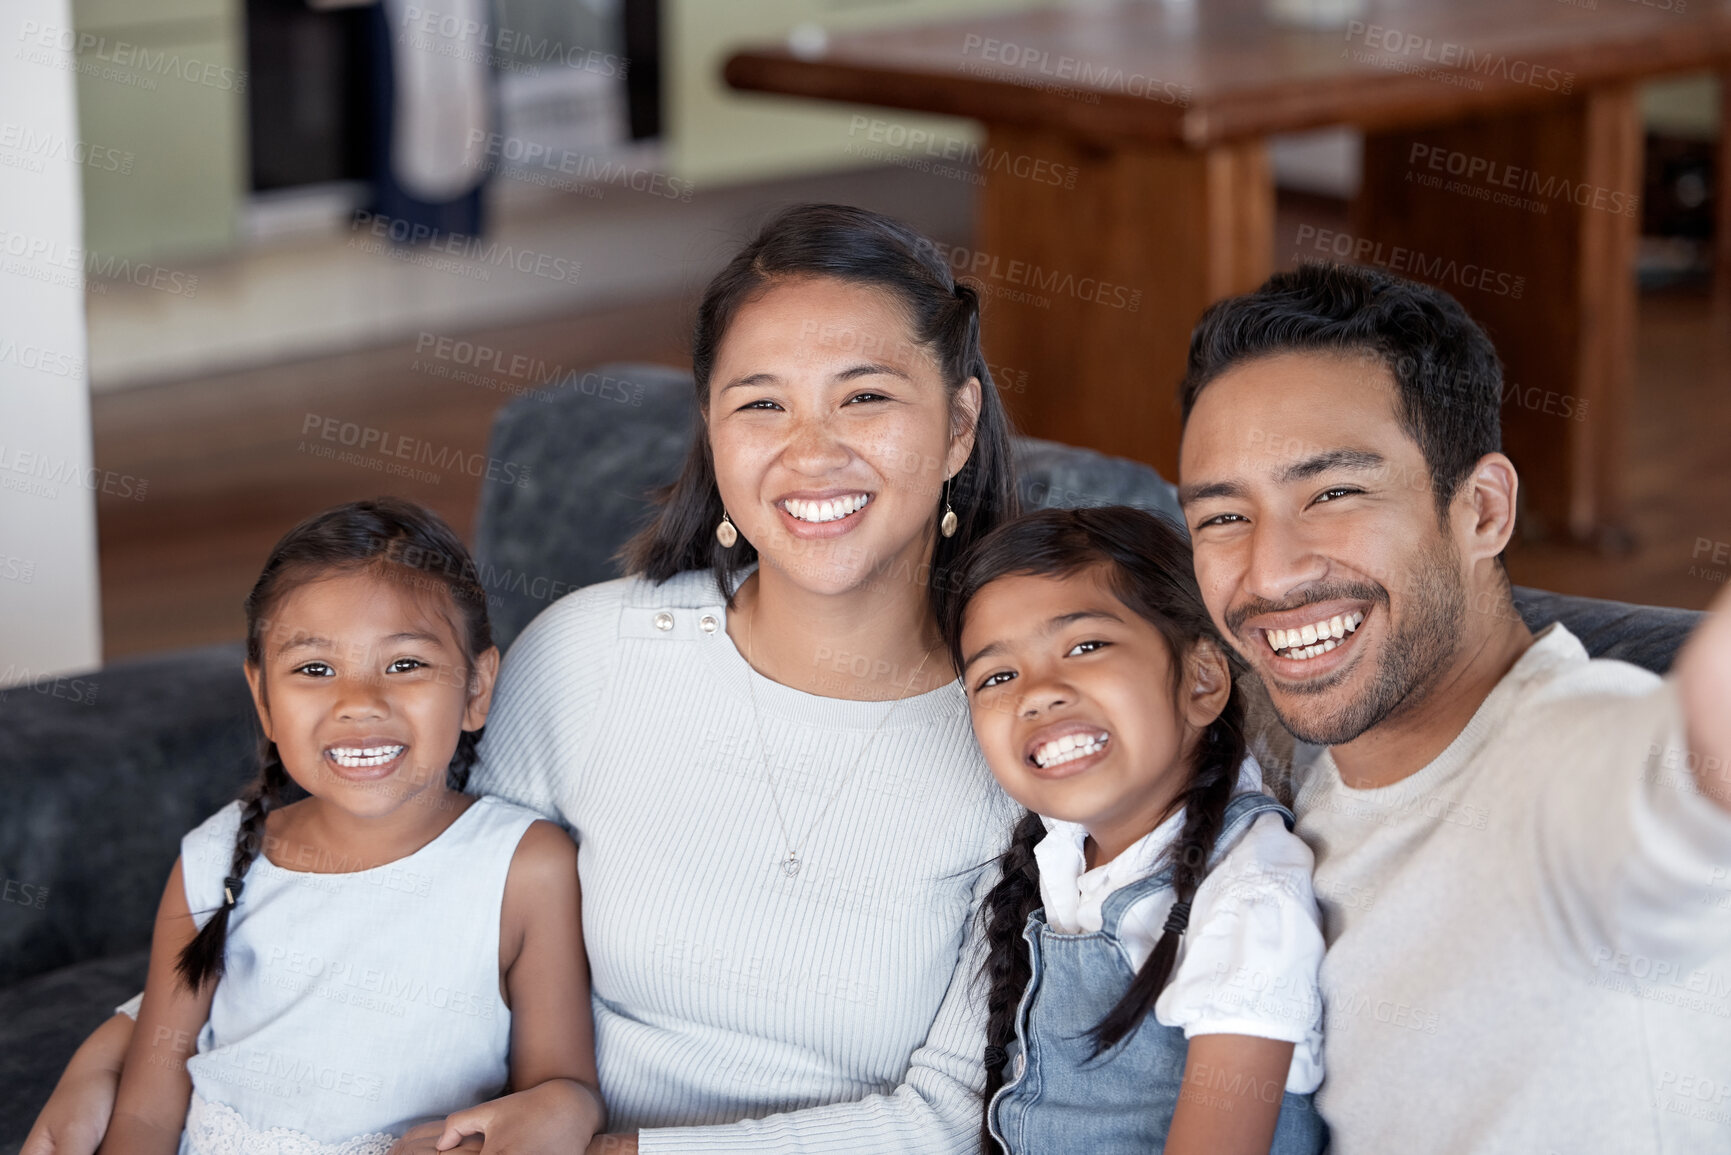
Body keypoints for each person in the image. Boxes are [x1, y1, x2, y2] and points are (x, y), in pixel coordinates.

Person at [27, 203, 1025, 1155]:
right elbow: (405, 879)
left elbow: (949, 1122)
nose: (810, 451)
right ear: (713, 436)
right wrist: (132, 1035)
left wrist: (605, 1147)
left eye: (866, 396)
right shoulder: (589, 658)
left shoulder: (1026, 729)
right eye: (761, 403)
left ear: (957, 425)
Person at [1174, 262, 1731, 1154]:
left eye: (1333, 493)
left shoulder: (1571, 755)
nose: (1269, 574)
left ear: (1481, 509)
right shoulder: (1298, 807)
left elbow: (1683, 774)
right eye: (1222, 519)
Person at [83, 499, 604, 1154]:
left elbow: (562, 1087)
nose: (359, 702)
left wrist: (550, 1114)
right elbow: (145, 1115)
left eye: (405, 663)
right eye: (315, 669)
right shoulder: (212, 858)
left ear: (476, 686)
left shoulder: (525, 867)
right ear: (264, 699)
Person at [945, 506, 1326, 1155]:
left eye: (1085, 646)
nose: (1037, 693)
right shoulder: (1055, 855)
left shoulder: (1249, 897)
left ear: (1202, 678)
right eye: (997, 676)